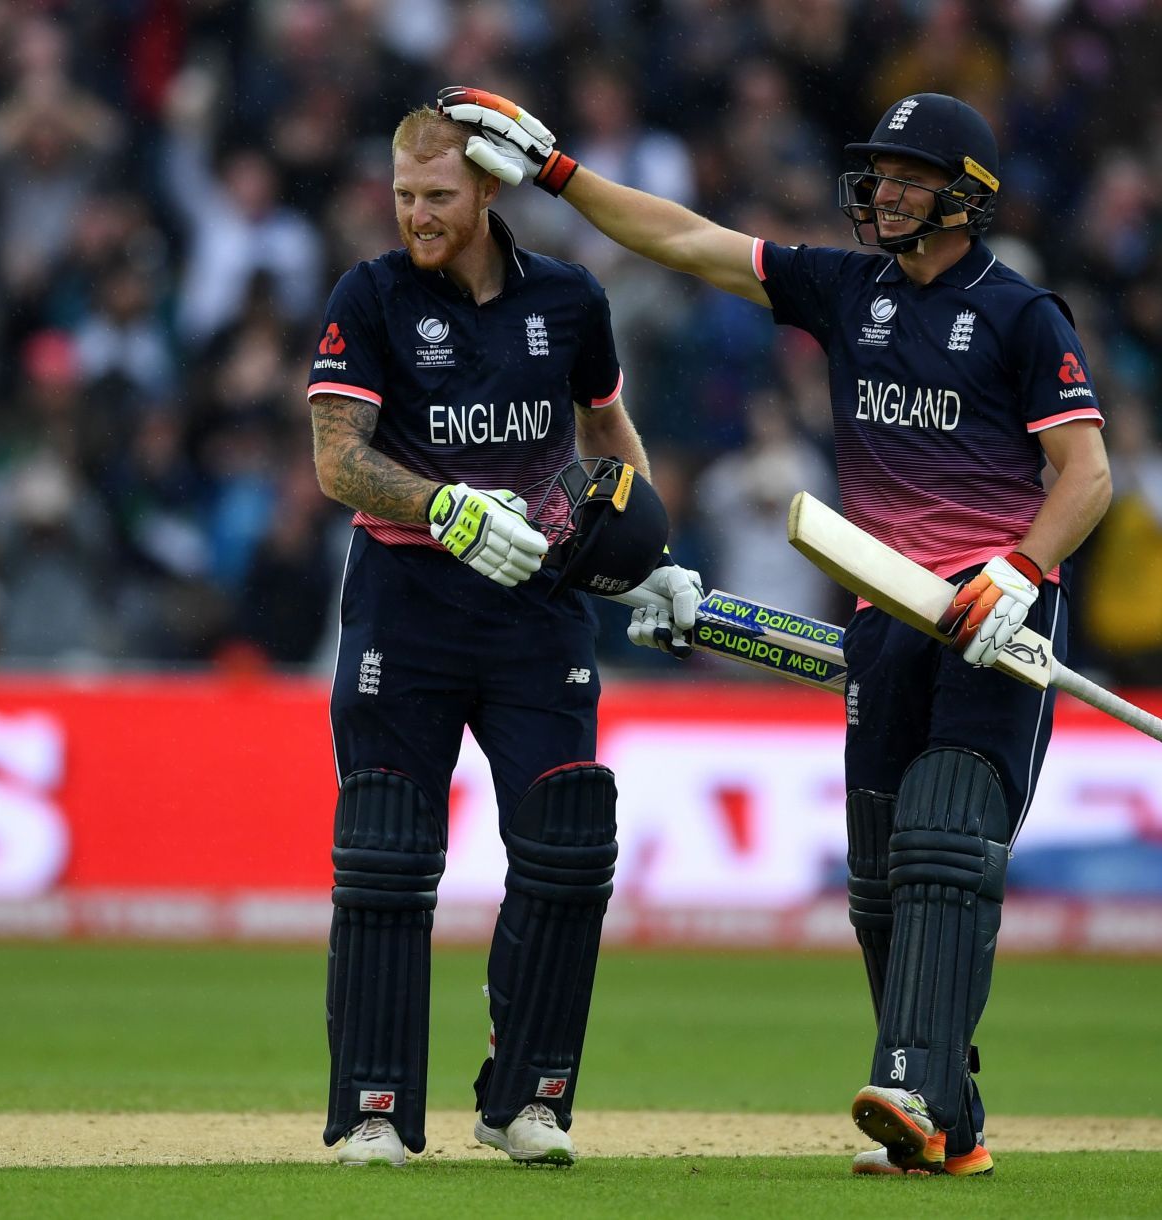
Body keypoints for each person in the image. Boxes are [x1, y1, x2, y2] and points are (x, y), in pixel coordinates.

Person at [440, 87, 1113, 1177]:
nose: (882, 192)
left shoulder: (1025, 316)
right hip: (884, 614)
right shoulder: (849, 290)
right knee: (882, 878)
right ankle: (949, 1117)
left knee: (946, 838)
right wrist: (560, 174)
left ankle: (914, 1085)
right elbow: (688, 239)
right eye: (878, 174)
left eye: (906, 178)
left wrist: (1023, 568)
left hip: (991, 618)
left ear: (966, 198)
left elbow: (1088, 474)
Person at [306, 105, 702, 1169]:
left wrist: (648, 547)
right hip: (409, 595)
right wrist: (445, 507)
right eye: (403, 196)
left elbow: (606, 427)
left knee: (570, 842)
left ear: (488, 191)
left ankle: (525, 1097)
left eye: (437, 197)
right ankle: (375, 1109)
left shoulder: (570, 299)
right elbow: (337, 458)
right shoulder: (371, 295)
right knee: (388, 851)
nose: (417, 216)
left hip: (537, 599)